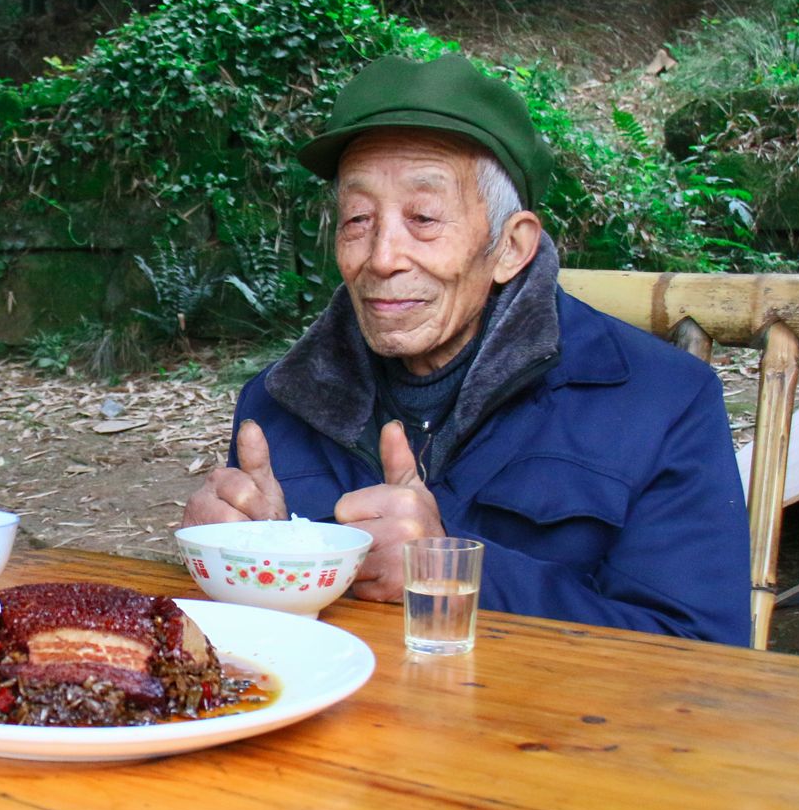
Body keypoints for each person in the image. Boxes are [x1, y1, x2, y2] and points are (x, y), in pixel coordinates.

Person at [184, 55, 750, 645]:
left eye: (424, 217)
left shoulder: (662, 401)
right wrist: (241, 563)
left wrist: (451, 573)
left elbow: (702, 659)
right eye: (357, 218)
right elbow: (253, 651)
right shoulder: (278, 401)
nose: (382, 257)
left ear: (511, 246)